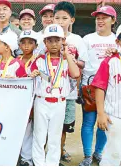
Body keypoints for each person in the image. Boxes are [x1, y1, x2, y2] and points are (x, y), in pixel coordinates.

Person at [30, 24, 80, 166]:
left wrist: (67, 55)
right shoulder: (39, 59)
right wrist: (33, 73)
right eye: (50, 40)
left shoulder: (66, 60)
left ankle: (52, 163)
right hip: (42, 101)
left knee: (55, 136)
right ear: (45, 42)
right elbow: (30, 74)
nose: (53, 44)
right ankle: (39, 163)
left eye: (57, 40)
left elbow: (75, 74)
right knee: (39, 135)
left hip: (59, 102)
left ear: (63, 41)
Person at [91, 21, 121, 166]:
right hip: (116, 116)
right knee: (114, 153)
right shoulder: (110, 62)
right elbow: (100, 87)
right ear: (117, 41)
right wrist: (101, 113)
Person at [79, 5, 117, 166]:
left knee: (105, 123)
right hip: (90, 86)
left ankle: (98, 152)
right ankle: (88, 155)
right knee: (88, 121)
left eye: (104, 17)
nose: (100, 21)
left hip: (111, 88)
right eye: (98, 18)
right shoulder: (88, 39)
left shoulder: (117, 40)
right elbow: (82, 63)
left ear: (113, 20)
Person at [53, 2, 88, 164]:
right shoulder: (47, 37)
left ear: (72, 20)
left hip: (69, 91)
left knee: (63, 126)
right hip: (50, 90)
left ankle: (60, 151)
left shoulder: (77, 40)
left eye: (64, 18)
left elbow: (83, 63)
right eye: (57, 18)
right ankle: (49, 154)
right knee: (49, 124)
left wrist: (72, 60)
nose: (60, 21)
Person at [16, 29, 39, 166]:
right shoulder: (15, 60)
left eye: (30, 43)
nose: (26, 46)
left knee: (31, 128)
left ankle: (27, 158)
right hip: (18, 99)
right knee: (20, 127)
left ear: (36, 45)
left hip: (34, 99)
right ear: (19, 45)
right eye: (23, 43)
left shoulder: (39, 60)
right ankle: (18, 154)